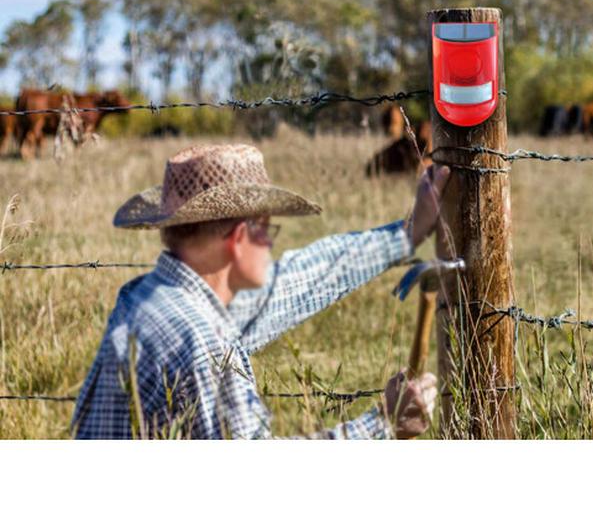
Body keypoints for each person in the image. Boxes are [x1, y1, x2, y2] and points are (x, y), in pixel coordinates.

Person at [71, 143, 451, 439]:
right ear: (239, 239)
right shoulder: (204, 343)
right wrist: (383, 425)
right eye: (267, 231)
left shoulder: (146, 298)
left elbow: (297, 282)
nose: (270, 246)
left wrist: (407, 234)